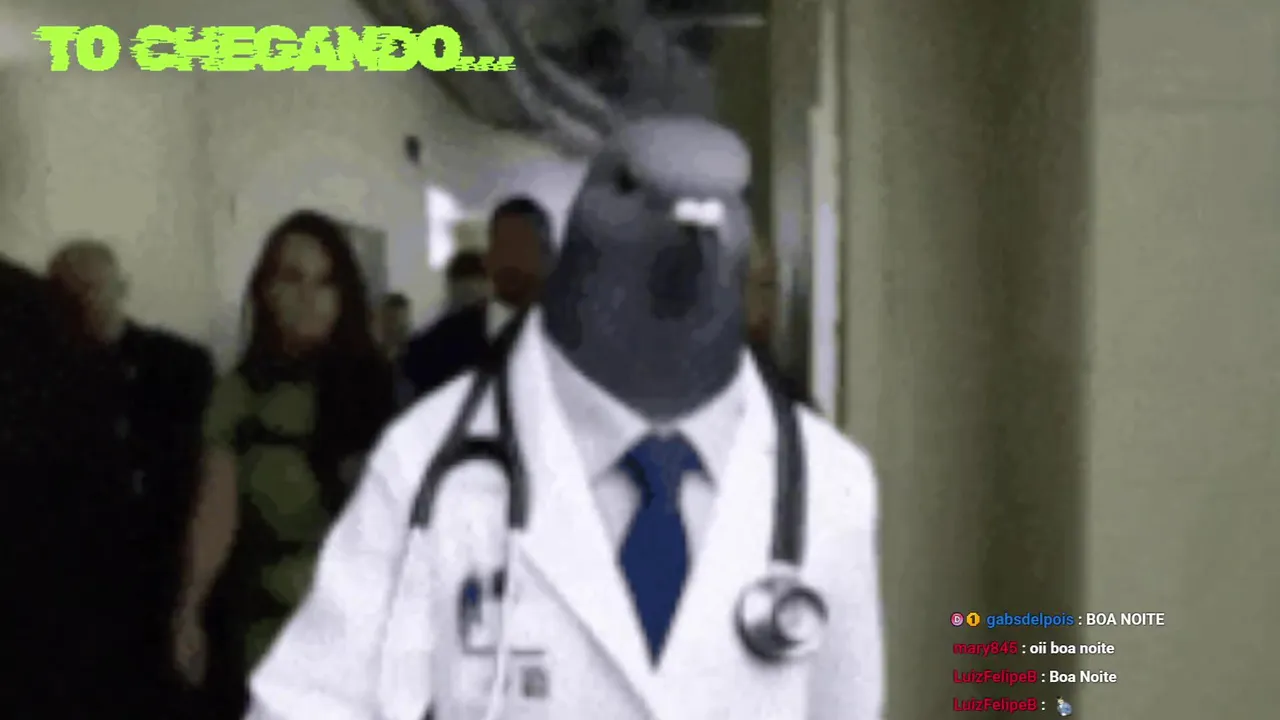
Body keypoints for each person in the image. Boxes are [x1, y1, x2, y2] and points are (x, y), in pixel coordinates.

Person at [246, 117, 882, 719]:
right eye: (637, 192)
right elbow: (312, 702)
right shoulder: (429, 457)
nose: (691, 224)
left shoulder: (827, 479)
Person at [173, 210, 398, 718]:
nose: (308, 297)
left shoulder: (376, 389)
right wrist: (189, 608)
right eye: (292, 278)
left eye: (324, 282)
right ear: (266, 290)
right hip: (270, 629)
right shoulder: (240, 393)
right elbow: (216, 509)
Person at [41, 239, 217, 714]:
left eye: (94, 288)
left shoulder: (178, 367)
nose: (85, 302)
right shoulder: (43, 381)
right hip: (86, 590)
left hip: (165, 569)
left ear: (121, 288)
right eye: (69, 293)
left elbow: (205, 477)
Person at [401, 196, 554, 399]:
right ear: (488, 259)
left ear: (551, 259)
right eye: (504, 247)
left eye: (524, 248)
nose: (512, 260)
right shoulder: (432, 350)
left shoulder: (579, 347)